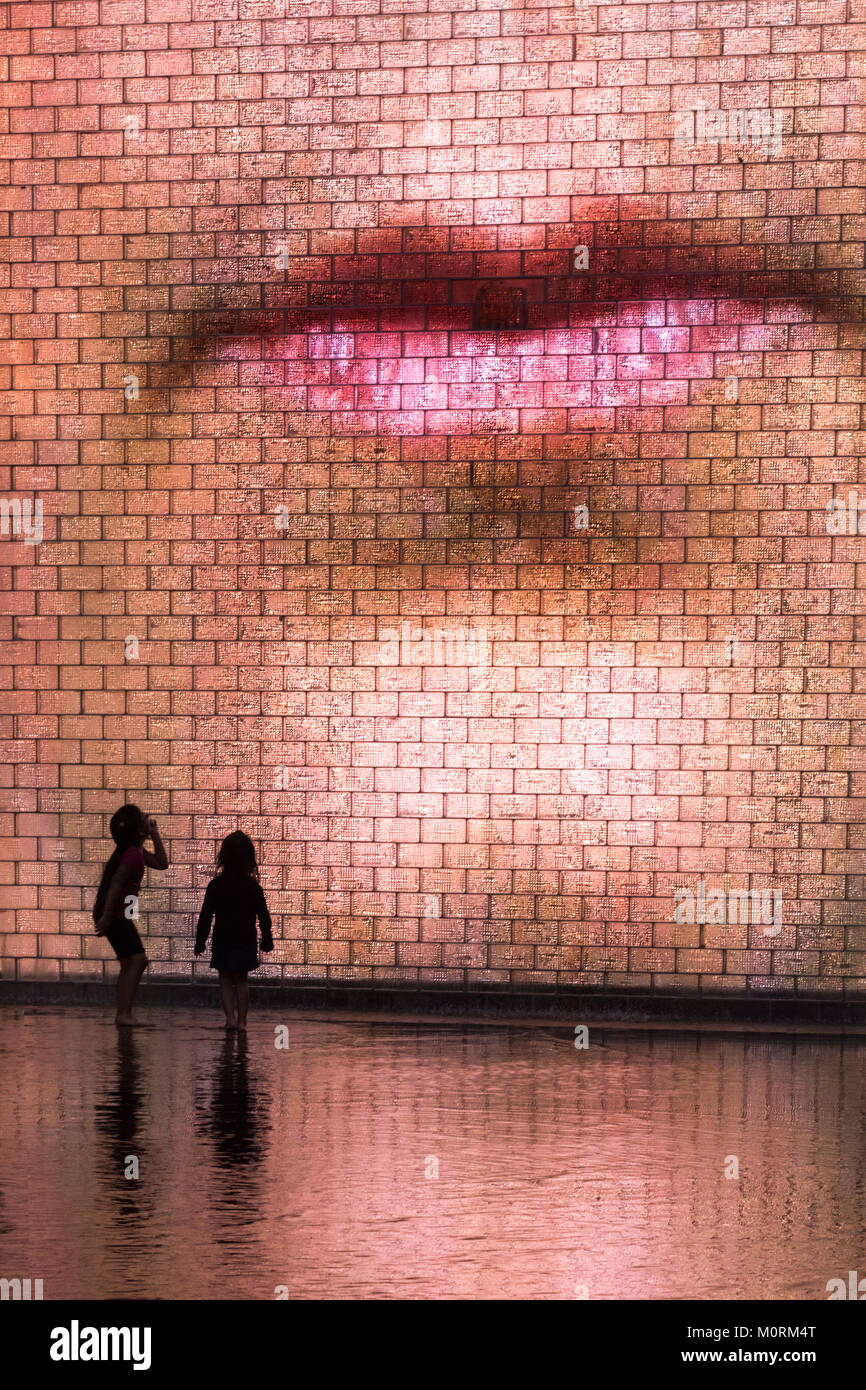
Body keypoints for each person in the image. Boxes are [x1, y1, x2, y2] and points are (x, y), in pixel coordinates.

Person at [93, 805, 169, 1026]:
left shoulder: (135, 852)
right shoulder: (133, 855)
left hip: (118, 912)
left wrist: (154, 834)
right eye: (143, 818)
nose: (148, 818)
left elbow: (162, 864)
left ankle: (123, 1014)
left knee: (129, 963)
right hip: (115, 913)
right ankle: (124, 1014)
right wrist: (106, 918)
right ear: (137, 829)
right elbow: (115, 885)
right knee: (138, 960)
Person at [194, 831, 274, 1032]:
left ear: (223, 857)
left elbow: (206, 916)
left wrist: (200, 941)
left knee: (225, 979)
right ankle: (242, 1022)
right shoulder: (253, 887)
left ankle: (230, 1019)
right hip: (245, 939)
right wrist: (267, 939)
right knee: (241, 980)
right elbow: (263, 916)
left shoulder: (216, 886)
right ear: (249, 859)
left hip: (223, 938)